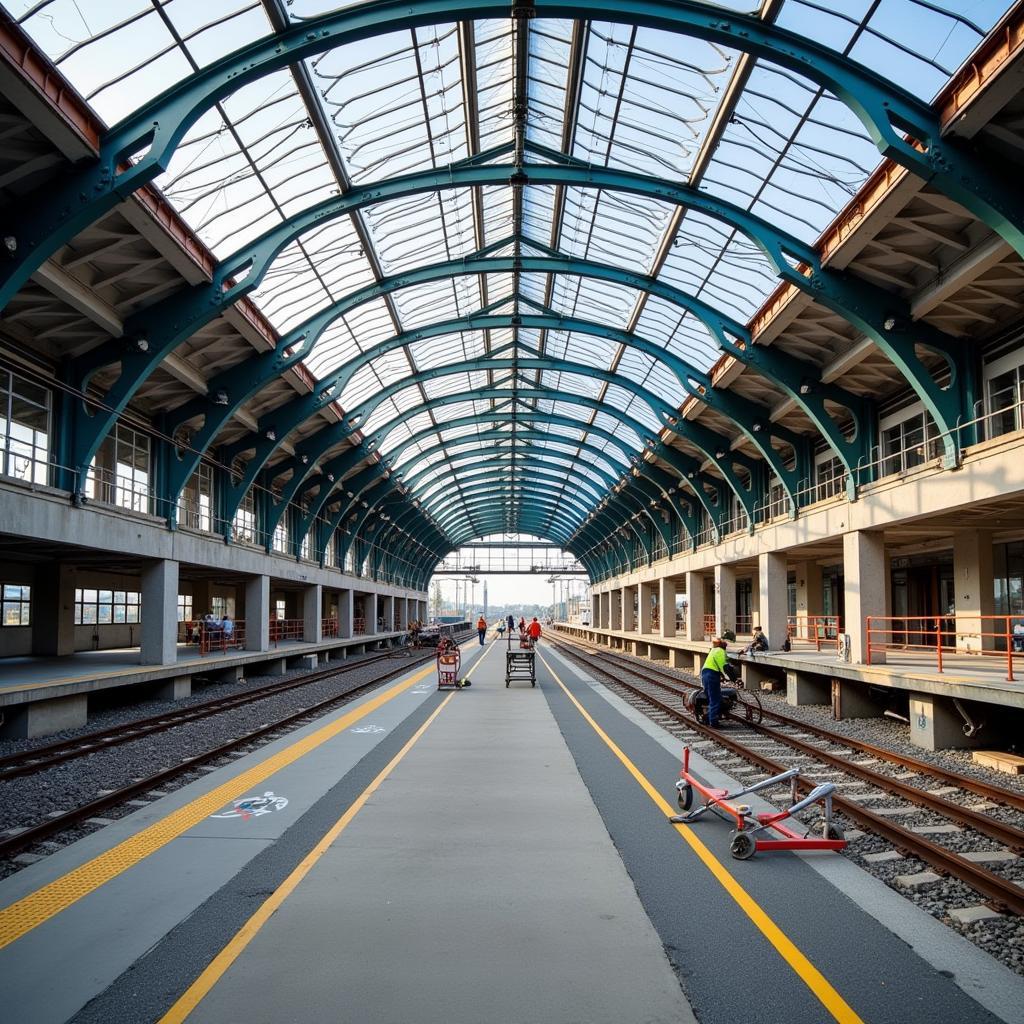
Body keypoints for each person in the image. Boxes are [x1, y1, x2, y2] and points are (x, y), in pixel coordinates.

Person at [701, 638, 731, 728]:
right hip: (711, 676)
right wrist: (732, 678)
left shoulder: (713, 650)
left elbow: (716, 665)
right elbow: (724, 666)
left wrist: (722, 677)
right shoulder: (720, 651)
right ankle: (713, 722)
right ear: (723, 647)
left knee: (710, 698)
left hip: (705, 674)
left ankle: (707, 717)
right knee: (716, 699)